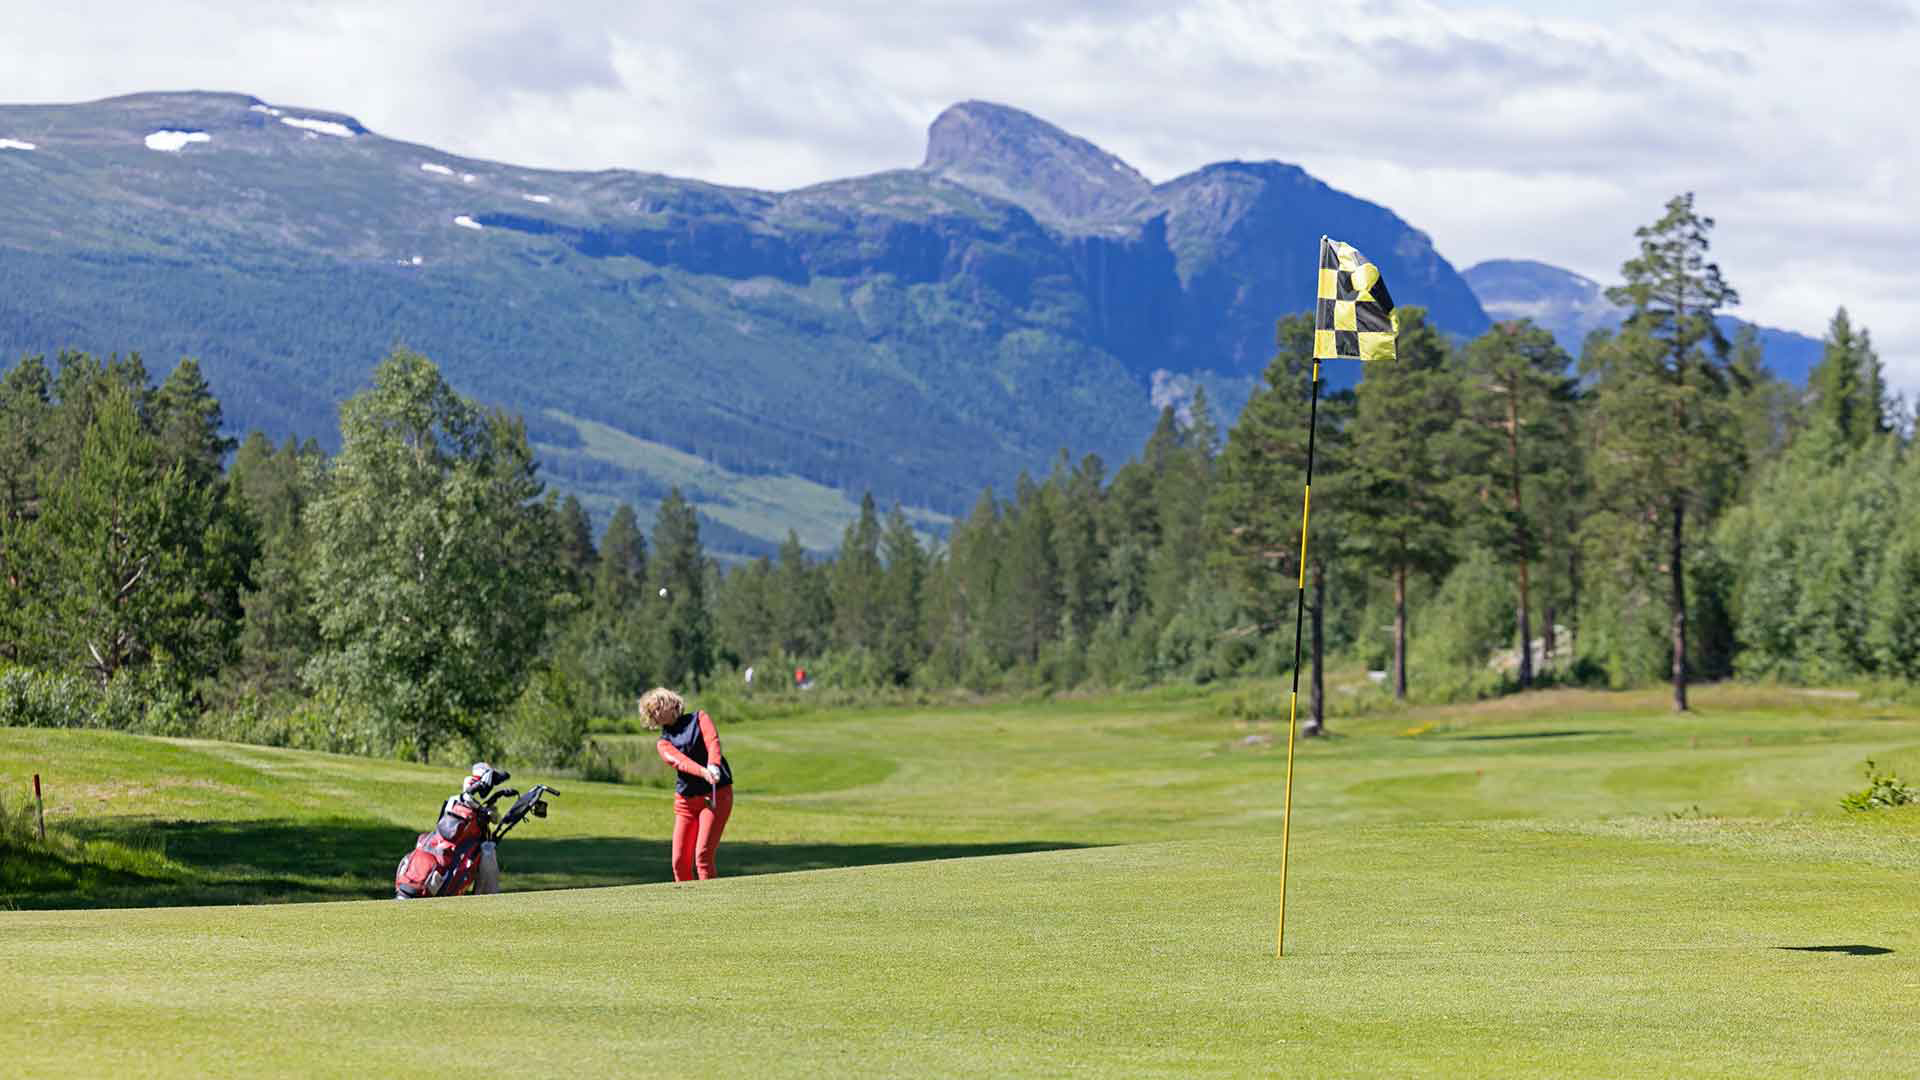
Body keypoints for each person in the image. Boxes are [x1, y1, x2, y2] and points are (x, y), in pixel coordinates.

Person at [640, 686, 734, 881]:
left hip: (715, 795)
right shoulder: (663, 743)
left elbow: (712, 742)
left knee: (703, 856)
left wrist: (714, 766)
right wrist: (702, 772)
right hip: (686, 803)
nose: (654, 714)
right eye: (651, 712)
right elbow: (680, 762)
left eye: (657, 708)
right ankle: (686, 908)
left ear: (671, 704)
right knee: (679, 862)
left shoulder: (699, 718)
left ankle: (712, 905)